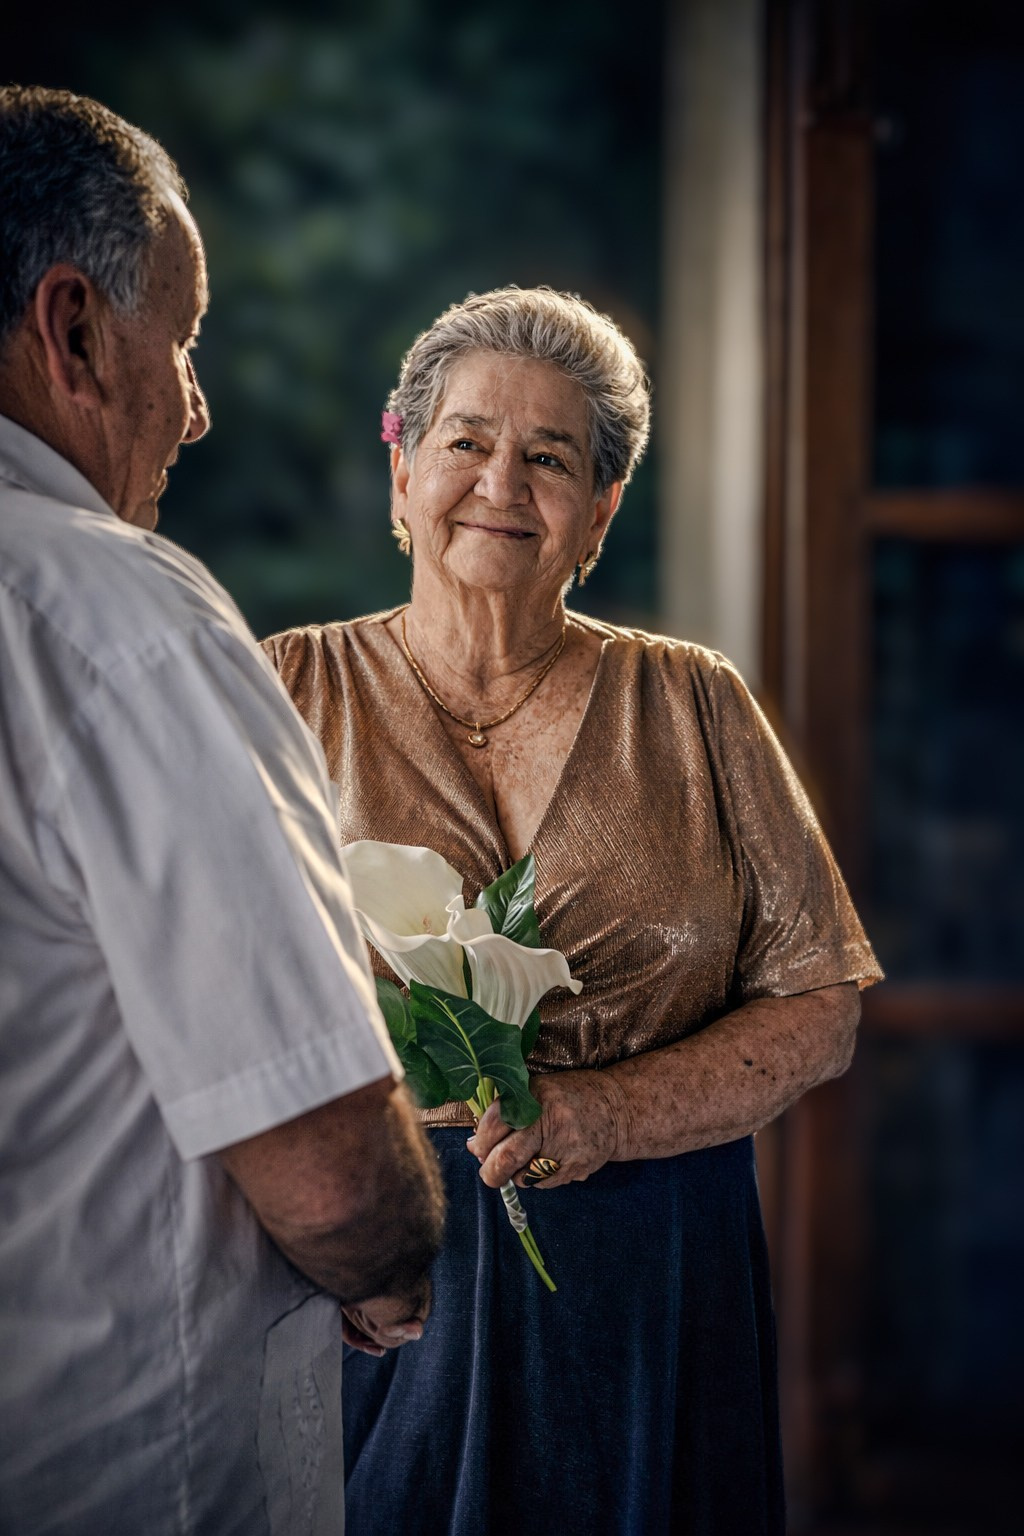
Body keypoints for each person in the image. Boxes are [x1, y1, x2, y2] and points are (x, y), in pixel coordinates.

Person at [264, 286, 883, 1535]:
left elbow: (820, 1006)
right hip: (376, 1282)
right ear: (402, 479)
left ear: (599, 513)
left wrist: (609, 1111)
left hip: (656, 1280)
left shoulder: (695, 704)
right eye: (467, 442)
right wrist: (323, 1228)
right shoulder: (283, 687)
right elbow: (202, 1000)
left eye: (551, 458)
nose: (502, 480)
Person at [0, 86, 444, 1535]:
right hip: (113, 1463)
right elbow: (327, 1165)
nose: (196, 404)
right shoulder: (115, 611)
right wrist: (389, 1266)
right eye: (179, 342)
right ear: (72, 332)